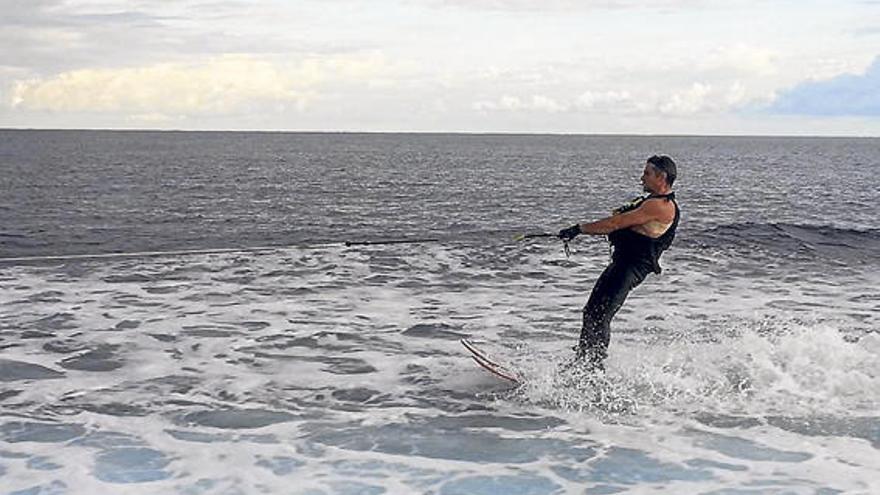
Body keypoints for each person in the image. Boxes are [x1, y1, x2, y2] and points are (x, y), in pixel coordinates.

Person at [557, 155, 680, 371]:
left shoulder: (661, 206)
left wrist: (578, 229)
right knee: (591, 312)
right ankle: (584, 364)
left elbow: (615, 223)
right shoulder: (651, 200)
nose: (642, 178)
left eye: (647, 174)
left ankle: (592, 369)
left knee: (600, 315)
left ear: (662, 177)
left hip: (631, 268)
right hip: (622, 263)